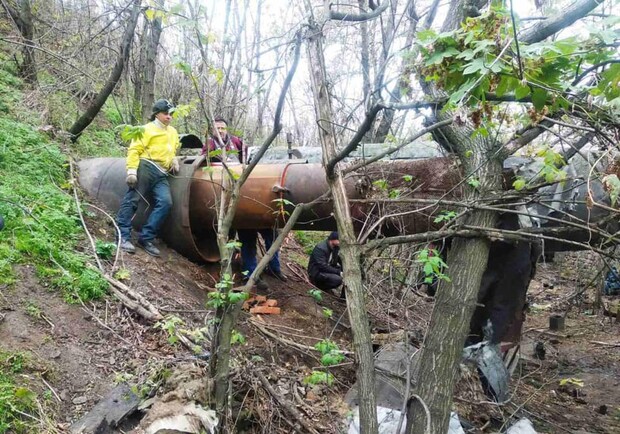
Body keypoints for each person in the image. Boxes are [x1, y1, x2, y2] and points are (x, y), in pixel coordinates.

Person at [116, 99, 181, 257]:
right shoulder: (146, 129)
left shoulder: (172, 132)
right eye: (166, 113)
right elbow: (134, 150)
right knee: (133, 200)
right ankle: (122, 236)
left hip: (162, 172)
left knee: (166, 202)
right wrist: (131, 171)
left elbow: (172, 149)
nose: (169, 117)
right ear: (157, 114)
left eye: (170, 114)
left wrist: (174, 160)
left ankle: (145, 238)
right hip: (146, 166)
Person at [308, 231, 343, 296]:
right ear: (333, 239)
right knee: (337, 280)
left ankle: (343, 297)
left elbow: (337, 259)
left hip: (326, 269)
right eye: (339, 240)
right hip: (316, 272)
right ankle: (320, 287)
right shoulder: (320, 248)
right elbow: (322, 266)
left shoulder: (335, 248)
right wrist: (338, 272)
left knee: (343, 272)